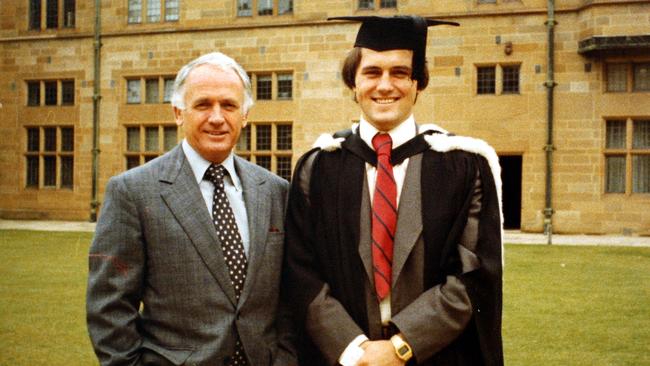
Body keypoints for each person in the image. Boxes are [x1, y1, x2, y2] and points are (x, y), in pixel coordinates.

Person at [284, 16, 504, 366]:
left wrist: (403, 346)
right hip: (343, 359)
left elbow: (474, 274)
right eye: (372, 72)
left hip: (437, 356)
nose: (385, 85)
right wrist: (355, 350)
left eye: (399, 73)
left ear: (418, 84)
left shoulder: (463, 166)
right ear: (353, 83)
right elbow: (300, 270)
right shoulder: (318, 167)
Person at [87, 52, 297, 366]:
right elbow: (110, 308)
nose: (216, 117)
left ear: (245, 115)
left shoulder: (276, 192)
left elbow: (289, 300)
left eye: (228, 105)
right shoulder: (132, 191)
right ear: (178, 113)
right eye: (203, 105)